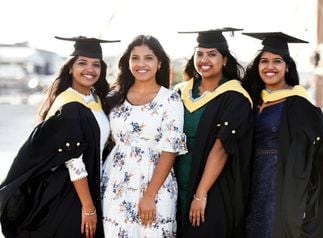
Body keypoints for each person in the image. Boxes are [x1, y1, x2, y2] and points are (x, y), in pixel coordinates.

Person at [0, 36, 120, 237]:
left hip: (90, 185)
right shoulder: (69, 105)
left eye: (95, 64)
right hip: (70, 190)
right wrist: (88, 207)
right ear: (70, 68)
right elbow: (74, 161)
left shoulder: (94, 99)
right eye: (82, 63)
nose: (89, 69)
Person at [242, 32, 323, 238]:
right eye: (264, 61)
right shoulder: (251, 99)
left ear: (287, 66)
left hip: (280, 183)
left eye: (277, 61)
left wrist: (310, 203)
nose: (269, 67)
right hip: (248, 181)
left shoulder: (300, 104)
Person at [101, 34, 187, 238]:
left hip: (155, 183)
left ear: (159, 63)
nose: (141, 64)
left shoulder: (171, 99)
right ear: (127, 62)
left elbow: (170, 150)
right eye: (135, 58)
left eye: (148, 58)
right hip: (115, 181)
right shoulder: (114, 98)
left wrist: (149, 196)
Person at [174, 27, 254, 238]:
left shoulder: (235, 97)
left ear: (224, 60)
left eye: (212, 54)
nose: (204, 60)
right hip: (175, 182)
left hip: (211, 185)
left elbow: (221, 149)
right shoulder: (178, 92)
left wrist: (200, 194)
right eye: (199, 54)